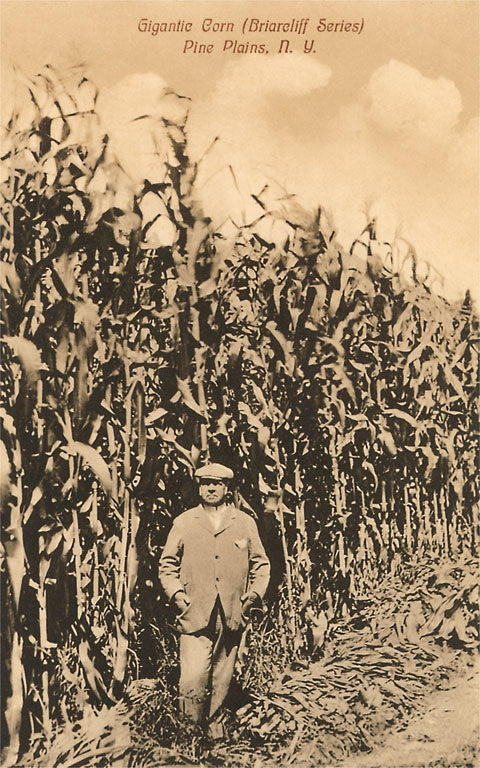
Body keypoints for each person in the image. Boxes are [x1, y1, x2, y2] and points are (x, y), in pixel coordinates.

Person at [159, 462, 270, 725]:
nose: (211, 488)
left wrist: (254, 595)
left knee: (223, 675)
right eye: (206, 483)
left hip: (231, 610)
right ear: (199, 488)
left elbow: (261, 564)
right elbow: (167, 564)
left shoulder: (243, 522)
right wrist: (177, 595)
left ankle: (216, 733)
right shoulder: (185, 522)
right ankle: (189, 732)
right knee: (193, 675)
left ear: (226, 488)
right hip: (195, 609)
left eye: (217, 484)